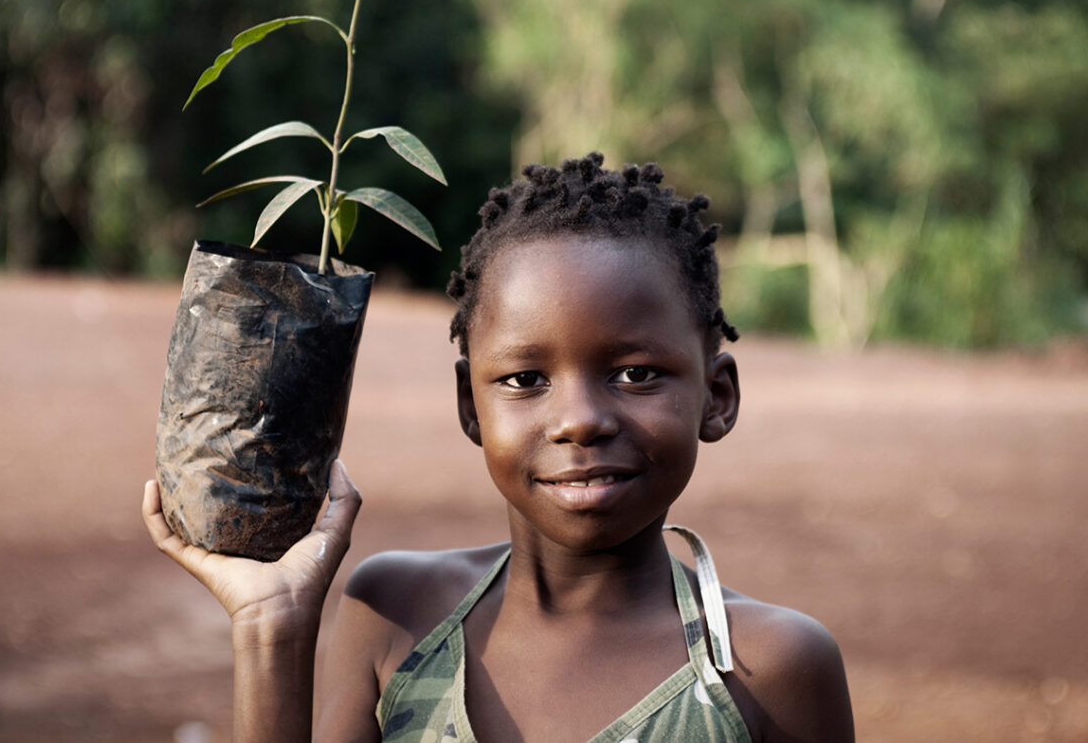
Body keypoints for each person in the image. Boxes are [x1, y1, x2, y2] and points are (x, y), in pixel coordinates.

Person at [142, 153, 855, 742]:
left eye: (635, 374)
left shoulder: (770, 670)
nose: (579, 419)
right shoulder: (394, 616)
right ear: (469, 406)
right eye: (525, 378)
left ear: (717, 396)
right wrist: (273, 626)